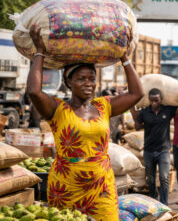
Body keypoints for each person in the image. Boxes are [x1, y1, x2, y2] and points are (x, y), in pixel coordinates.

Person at [27, 24, 144, 220]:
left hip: (101, 184)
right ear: (68, 82)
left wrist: (124, 57)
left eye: (92, 78)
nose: (88, 83)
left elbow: (137, 93)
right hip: (67, 185)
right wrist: (40, 52)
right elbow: (34, 92)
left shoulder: (103, 106)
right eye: (81, 79)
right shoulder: (58, 109)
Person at [130, 89, 178, 205]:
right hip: (148, 151)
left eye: (156, 100)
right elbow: (137, 127)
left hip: (164, 151)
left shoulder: (168, 110)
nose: (154, 103)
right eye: (151, 101)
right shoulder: (144, 112)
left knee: (164, 177)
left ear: (161, 100)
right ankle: (154, 200)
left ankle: (164, 204)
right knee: (150, 179)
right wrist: (133, 111)